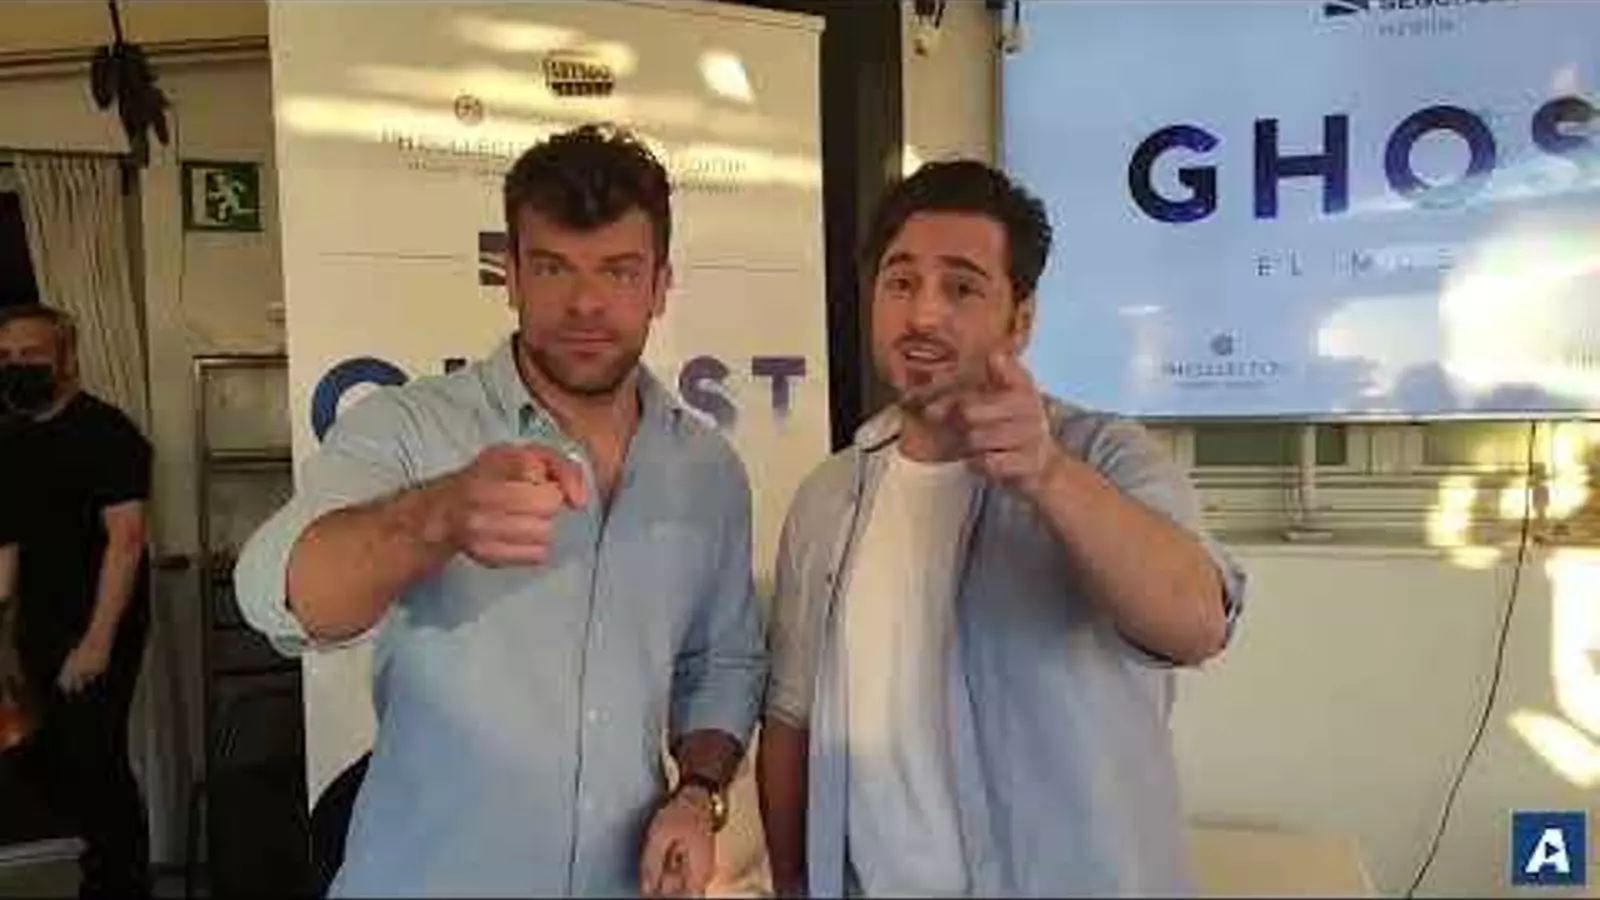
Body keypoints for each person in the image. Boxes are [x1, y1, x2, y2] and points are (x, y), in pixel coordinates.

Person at [233, 124, 766, 897]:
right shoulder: (412, 429)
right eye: (553, 267)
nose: (586, 302)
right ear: (509, 275)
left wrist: (698, 795)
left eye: (618, 271)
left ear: (659, 285)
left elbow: (722, 661)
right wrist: (438, 517)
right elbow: (275, 592)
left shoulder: (707, 471)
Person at [757, 161, 1248, 897]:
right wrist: (793, 883)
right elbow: (793, 714)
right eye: (901, 282)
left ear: (1020, 321)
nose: (923, 315)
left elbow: (1198, 623)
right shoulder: (829, 497)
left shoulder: (1104, 455)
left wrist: (1048, 475)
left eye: (961, 287)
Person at [0, 304, 154, 897]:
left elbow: (127, 539)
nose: (17, 366)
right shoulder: (11, 439)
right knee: (50, 763)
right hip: (35, 628)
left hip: (96, 625)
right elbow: (7, 544)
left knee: (96, 764)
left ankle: (121, 888)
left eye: (31, 355)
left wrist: (96, 644)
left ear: (66, 358)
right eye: (6, 357)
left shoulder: (108, 434)